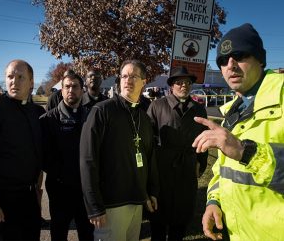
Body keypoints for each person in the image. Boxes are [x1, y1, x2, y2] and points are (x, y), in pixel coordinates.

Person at [192, 23, 284, 240]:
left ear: (260, 59)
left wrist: (247, 153)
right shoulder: (232, 111)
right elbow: (223, 169)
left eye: (240, 55)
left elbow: (240, 154)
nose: (230, 65)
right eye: (222, 61)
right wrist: (214, 201)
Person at [80, 59, 159, 241]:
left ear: (144, 82)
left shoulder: (143, 117)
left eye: (133, 76)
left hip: (137, 202)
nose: (127, 80)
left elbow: (149, 157)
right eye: (124, 76)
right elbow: (87, 160)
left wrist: (151, 191)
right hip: (110, 205)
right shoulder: (102, 111)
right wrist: (94, 206)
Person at [0, 59, 43, 241]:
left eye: (20, 77)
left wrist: (38, 192)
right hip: (1, 200)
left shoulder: (37, 112)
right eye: (10, 76)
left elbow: (38, 155)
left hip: (29, 200)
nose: (14, 81)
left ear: (32, 82)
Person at [147, 67, 208, 241]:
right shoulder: (157, 106)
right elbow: (148, 140)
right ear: (171, 86)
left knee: (180, 223)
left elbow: (205, 138)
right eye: (179, 82)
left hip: (187, 170)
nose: (184, 86)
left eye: (188, 83)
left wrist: (200, 164)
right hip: (162, 170)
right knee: (158, 223)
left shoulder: (198, 109)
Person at [40, 70, 94, 241]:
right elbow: (43, 157)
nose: (71, 90)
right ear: (61, 90)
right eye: (67, 87)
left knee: (87, 233)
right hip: (60, 190)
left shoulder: (92, 116)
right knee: (59, 232)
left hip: (85, 191)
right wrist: (63, 173)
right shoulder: (48, 120)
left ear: (82, 90)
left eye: (75, 86)